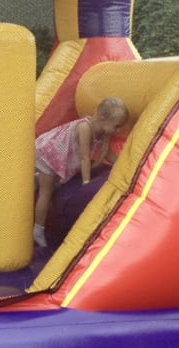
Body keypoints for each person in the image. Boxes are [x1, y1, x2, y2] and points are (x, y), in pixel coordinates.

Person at [33, 97, 129, 247]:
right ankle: (38, 230)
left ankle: (37, 179)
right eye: (117, 126)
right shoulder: (85, 128)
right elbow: (85, 158)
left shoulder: (103, 133)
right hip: (49, 155)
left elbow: (108, 153)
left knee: (52, 184)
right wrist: (86, 182)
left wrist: (125, 166)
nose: (119, 131)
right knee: (46, 193)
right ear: (102, 118)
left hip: (60, 158)